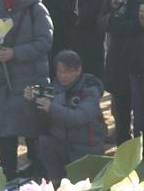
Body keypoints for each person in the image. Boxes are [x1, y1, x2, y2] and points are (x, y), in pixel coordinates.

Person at [0, 0, 54, 179]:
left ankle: (39, 171)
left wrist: (16, 53)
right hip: (2, 80)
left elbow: (45, 41)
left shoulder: (37, 9)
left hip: (31, 78)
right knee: (4, 129)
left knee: (34, 127)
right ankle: (8, 172)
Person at [33, 50, 108, 181]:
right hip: (63, 143)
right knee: (44, 141)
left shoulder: (90, 89)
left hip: (86, 147)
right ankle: (55, 181)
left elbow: (79, 118)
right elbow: (41, 108)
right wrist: (32, 96)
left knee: (80, 188)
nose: (62, 76)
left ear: (78, 70)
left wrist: (52, 108)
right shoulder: (54, 87)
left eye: (67, 71)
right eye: (59, 71)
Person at [103, 0, 144, 143]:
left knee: (140, 114)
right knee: (119, 111)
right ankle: (122, 148)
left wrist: (117, 22)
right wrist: (114, 15)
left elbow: (137, 26)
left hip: (138, 61)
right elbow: (101, 22)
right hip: (116, 59)